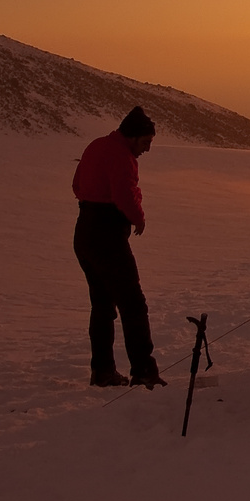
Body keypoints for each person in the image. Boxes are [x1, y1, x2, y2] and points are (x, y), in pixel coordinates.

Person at [72, 106, 166, 388]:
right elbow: (123, 193)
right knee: (132, 303)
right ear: (133, 137)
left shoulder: (96, 146)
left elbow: (77, 183)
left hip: (84, 231)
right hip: (106, 234)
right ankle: (144, 371)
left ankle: (102, 371)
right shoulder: (121, 156)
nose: (147, 150)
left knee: (102, 305)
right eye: (146, 143)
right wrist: (138, 217)